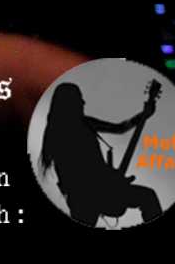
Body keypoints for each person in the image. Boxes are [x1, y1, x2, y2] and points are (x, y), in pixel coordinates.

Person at [38, 83, 166, 226]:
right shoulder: (70, 129)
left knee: (146, 197)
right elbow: (83, 169)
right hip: (90, 192)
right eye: (79, 98)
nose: (83, 102)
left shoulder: (62, 129)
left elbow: (119, 128)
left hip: (83, 195)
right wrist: (112, 179)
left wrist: (143, 115)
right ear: (70, 102)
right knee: (147, 197)